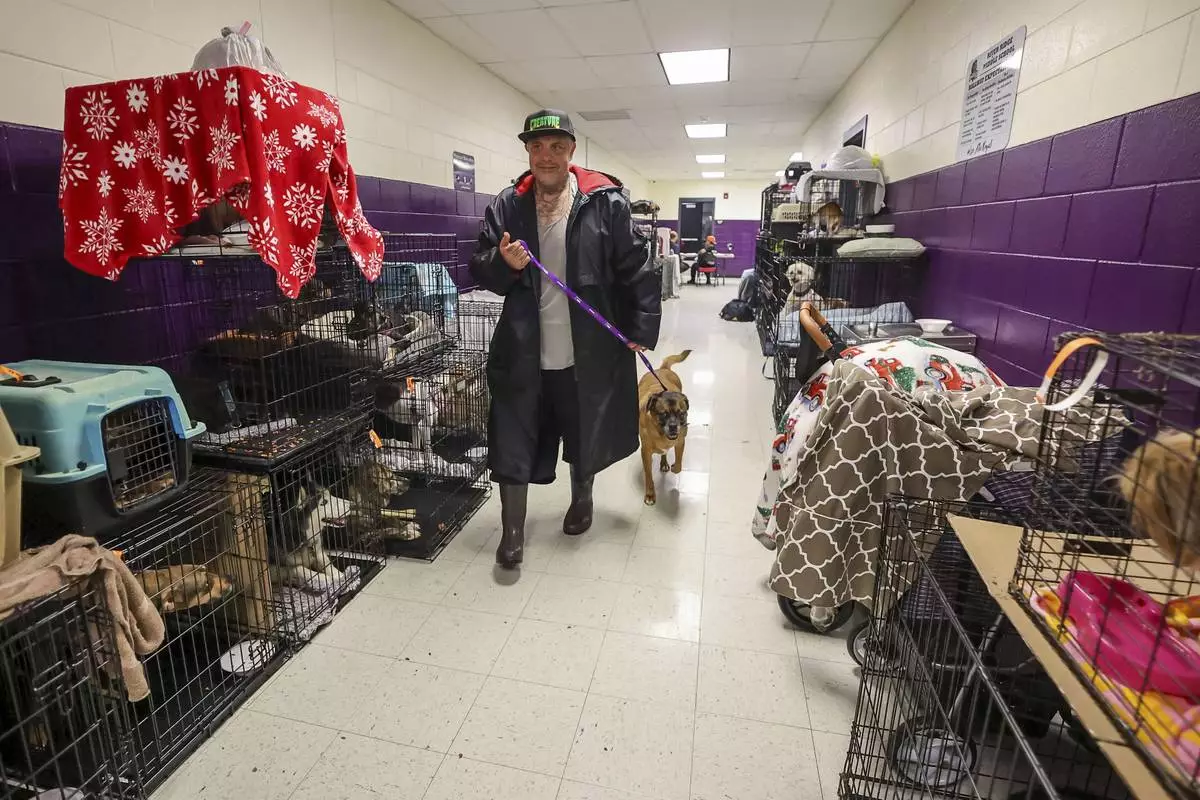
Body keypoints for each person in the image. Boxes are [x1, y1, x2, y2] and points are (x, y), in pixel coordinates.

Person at [469, 109, 661, 569]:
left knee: (583, 433)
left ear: (572, 150)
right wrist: (504, 264)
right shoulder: (507, 205)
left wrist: (640, 329)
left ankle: (582, 501)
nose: (546, 156)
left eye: (557, 146)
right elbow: (481, 267)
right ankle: (512, 531)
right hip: (523, 350)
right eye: (537, 147)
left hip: (587, 349)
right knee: (512, 438)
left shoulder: (604, 203)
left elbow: (638, 268)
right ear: (528, 152)